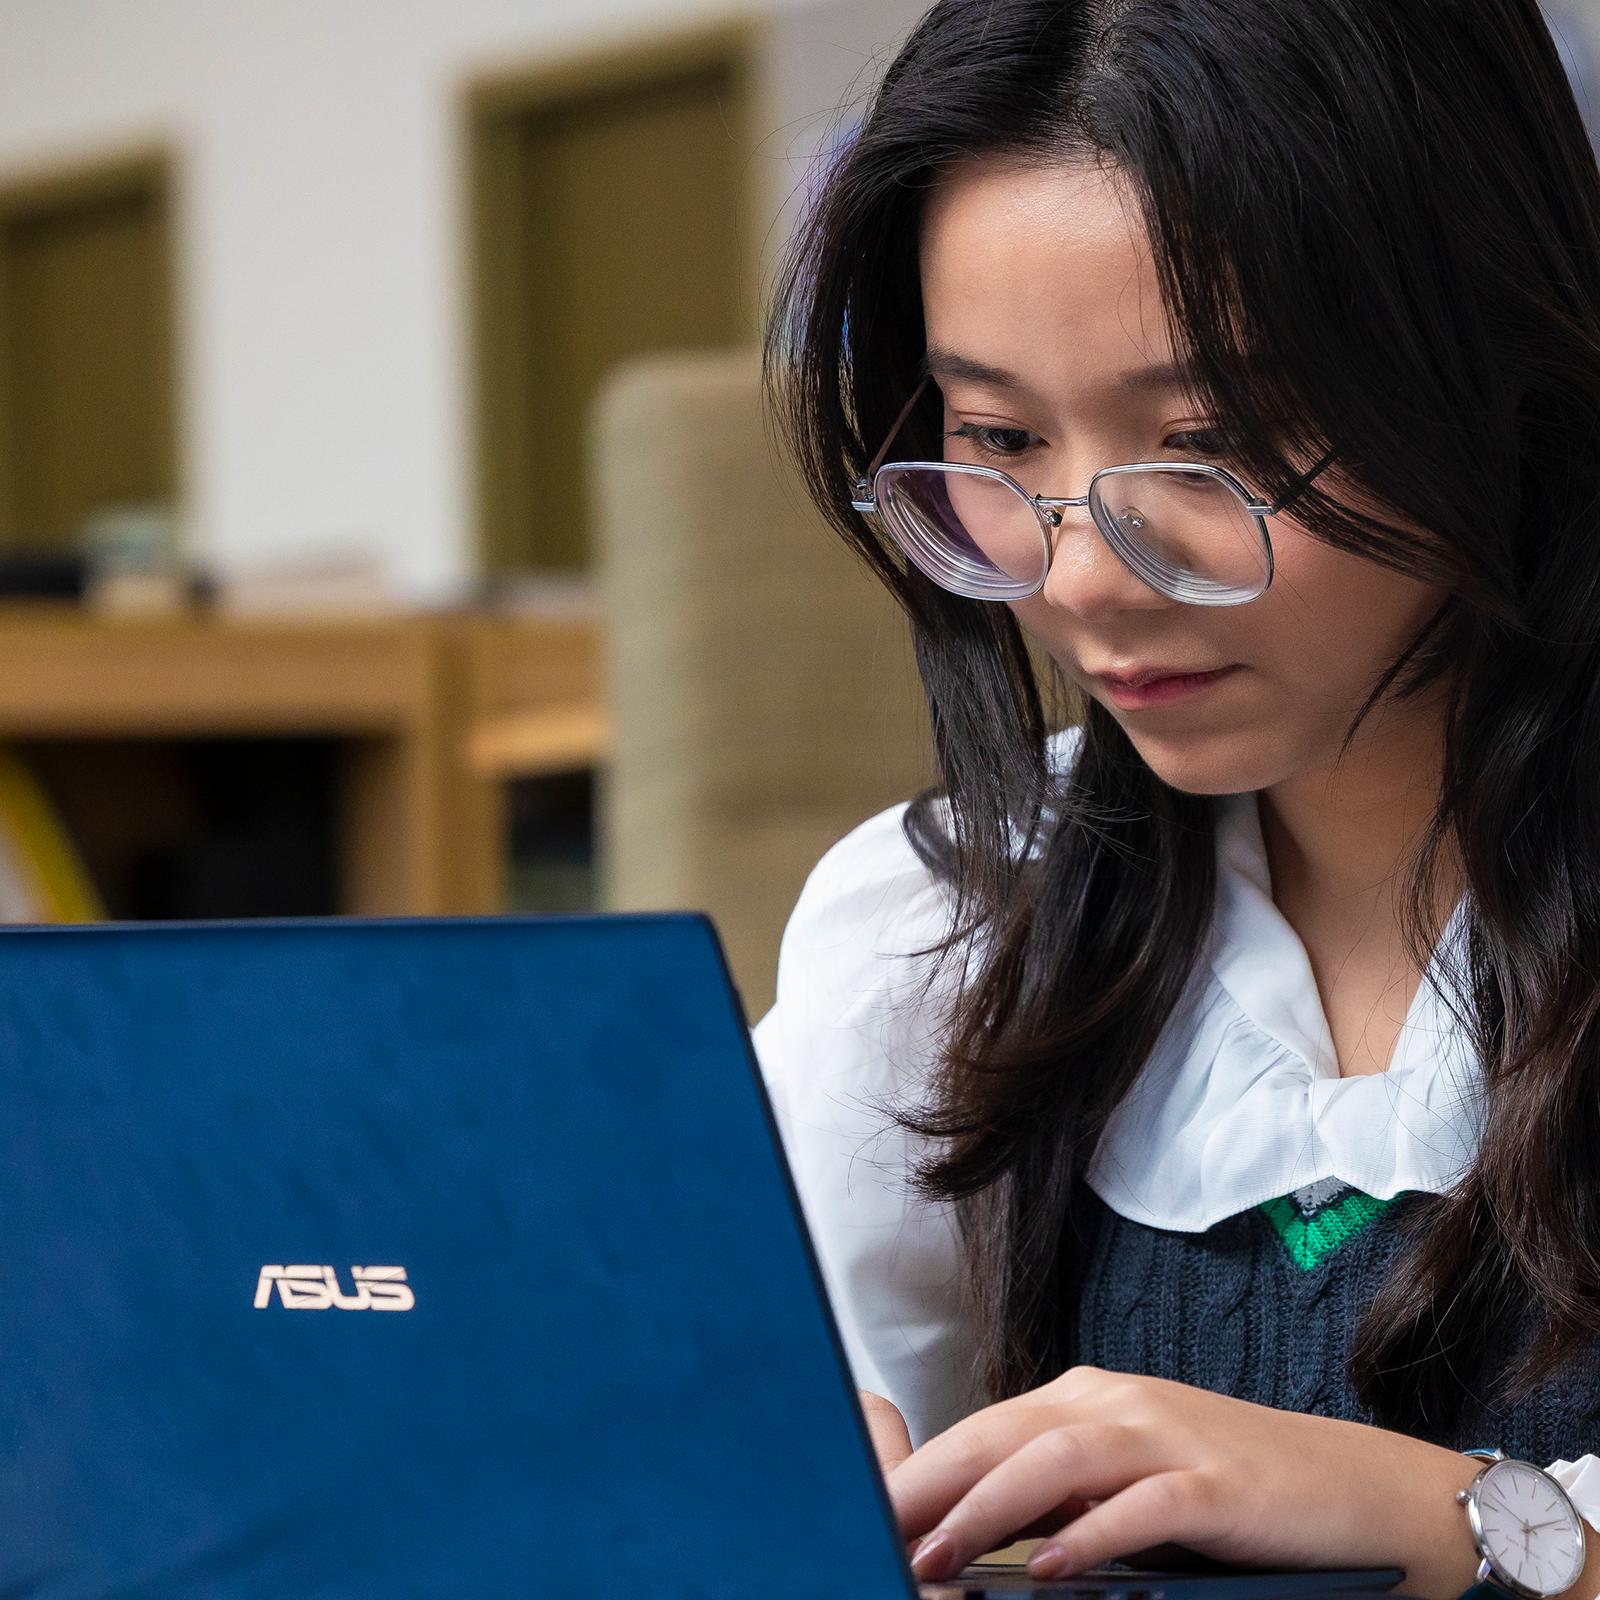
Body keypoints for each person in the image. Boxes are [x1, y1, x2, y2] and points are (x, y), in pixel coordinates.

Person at [752, 2, 1600, 1597]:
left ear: (1500, 374)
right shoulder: (941, 929)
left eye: (1210, 445)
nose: (1084, 578)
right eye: (1002, 437)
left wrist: (1462, 1522)